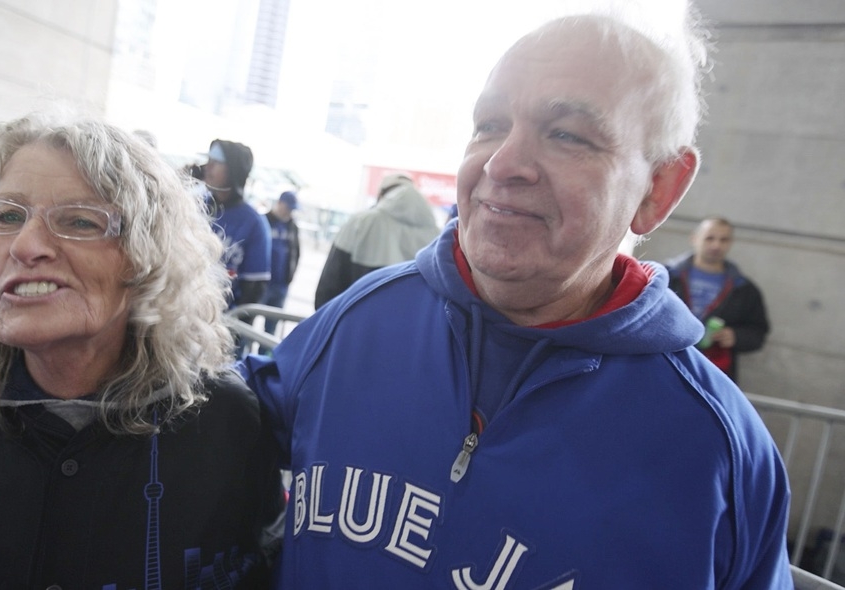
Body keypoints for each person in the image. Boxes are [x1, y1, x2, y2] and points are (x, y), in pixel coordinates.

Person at [241, 10, 792, 588]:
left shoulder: (716, 454)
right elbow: (197, 429)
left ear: (659, 188)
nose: (502, 164)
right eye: (489, 124)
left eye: (567, 134)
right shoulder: (361, 321)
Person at [0, 112, 284, 588]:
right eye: (8, 216)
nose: (25, 245)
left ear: (147, 259)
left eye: (79, 220)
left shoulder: (230, 430)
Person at [666, 217, 770, 383]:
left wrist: (736, 336)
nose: (716, 245)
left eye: (724, 240)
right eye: (710, 238)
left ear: (731, 243)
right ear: (694, 238)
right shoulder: (666, 277)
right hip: (663, 363)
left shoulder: (744, 289)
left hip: (712, 374)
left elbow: (758, 333)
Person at [314, 173, 438, 309]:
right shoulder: (436, 235)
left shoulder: (361, 222)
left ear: (382, 193)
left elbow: (330, 283)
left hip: (355, 322)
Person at [190, 139, 271, 307]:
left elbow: (254, 287)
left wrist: (233, 327)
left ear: (234, 171)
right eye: (208, 161)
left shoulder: (254, 223)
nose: (208, 167)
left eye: (217, 162)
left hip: (220, 321)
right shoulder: (194, 206)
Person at [260, 190, 301, 334]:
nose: (290, 212)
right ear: (279, 204)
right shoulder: (263, 221)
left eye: (292, 209)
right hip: (262, 284)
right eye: (288, 207)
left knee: (271, 329)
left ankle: (264, 355)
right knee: (247, 324)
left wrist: (289, 277)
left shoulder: (292, 227)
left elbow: (296, 253)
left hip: (281, 285)